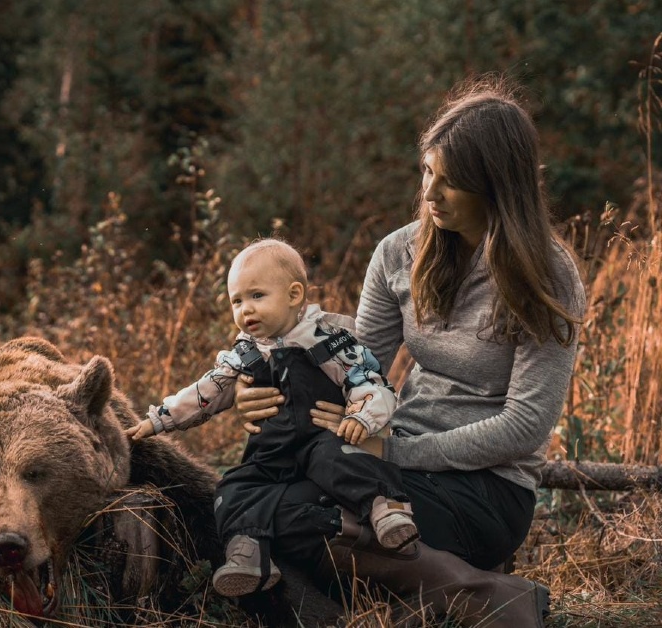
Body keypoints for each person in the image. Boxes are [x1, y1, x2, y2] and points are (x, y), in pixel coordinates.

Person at [233, 78, 585, 626]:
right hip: (394, 460)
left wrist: (392, 454)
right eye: (427, 172)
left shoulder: (548, 275)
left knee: (301, 516)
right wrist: (258, 390)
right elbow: (348, 367)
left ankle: (481, 596)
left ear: (496, 184)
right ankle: (466, 591)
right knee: (255, 499)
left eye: (451, 182)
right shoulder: (397, 252)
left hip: (487, 487)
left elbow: (524, 427)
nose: (430, 194)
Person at [124, 238, 418, 598]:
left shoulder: (328, 340)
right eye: (237, 300)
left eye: (257, 296)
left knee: (342, 458)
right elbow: (204, 393)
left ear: (294, 295)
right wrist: (160, 420)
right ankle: (249, 555)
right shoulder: (244, 353)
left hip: (320, 439)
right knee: (234, 487)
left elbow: (370, 382)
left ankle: (385, 507)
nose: (246, 310)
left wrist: (362, 416)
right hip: (272, 452)